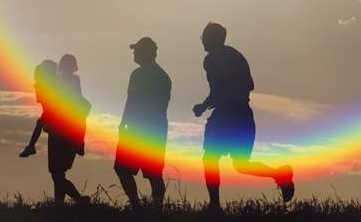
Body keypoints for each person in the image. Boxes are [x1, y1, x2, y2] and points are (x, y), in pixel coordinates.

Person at [193, 22, 294, 210]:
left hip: (226, 113)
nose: (203, 42)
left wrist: (203, 106)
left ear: (212, 39)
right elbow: (250, 85)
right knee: (241, 164)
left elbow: (217, 90)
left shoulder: (212, 59)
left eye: (204, 38)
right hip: (243, 113)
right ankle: (280, 175)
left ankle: (214, 206)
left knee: (210, 159)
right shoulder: (237, 56)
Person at [20, 56, 91, 204]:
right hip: (64, 133)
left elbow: (49, 112)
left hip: (63, 134)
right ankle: (61, 204)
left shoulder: (58, 85)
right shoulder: (60, 83)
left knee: (57, 174)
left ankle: (79, 200)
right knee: (58, 174)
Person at [115, 37, 171, 209]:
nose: (134, 53)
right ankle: (154, 208)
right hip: (155, 128)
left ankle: (138, 207)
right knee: (153, 173)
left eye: (137, 50)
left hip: (140, 129)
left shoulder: (139, 75)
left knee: (126, 169)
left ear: (147, 52)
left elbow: (132, 100)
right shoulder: (163, 76)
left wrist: (124, 124)